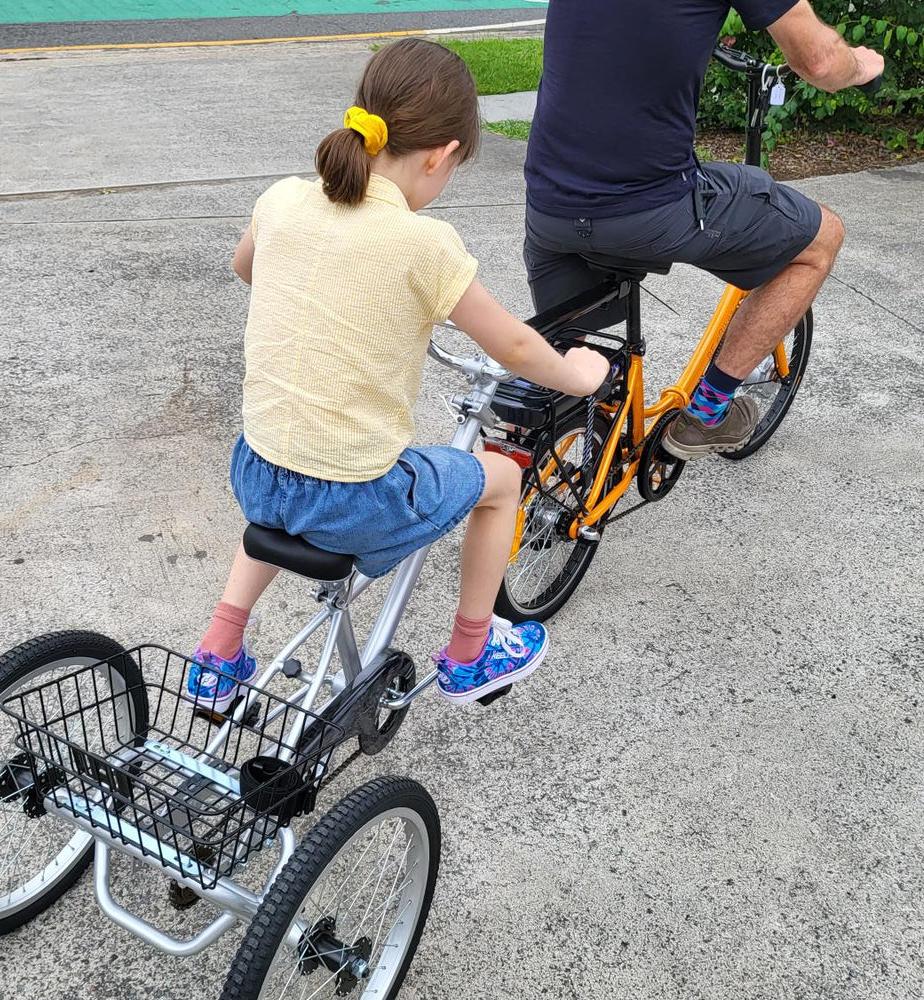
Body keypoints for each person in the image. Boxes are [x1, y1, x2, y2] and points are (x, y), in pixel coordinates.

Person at [184, 38, 610, 712]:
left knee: (292, 472)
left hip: (256, 471)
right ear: (440, 155)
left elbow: (246, 268)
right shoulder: (424, 244)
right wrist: (579, 376)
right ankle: (472, 653)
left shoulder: (282, 201)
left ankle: (217, 653)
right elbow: (519, 349)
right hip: (351, 500)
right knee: (501, 482)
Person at [523, 0, 885, 458]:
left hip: (549, 206)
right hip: (648, 206)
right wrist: (863, 65)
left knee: (573, 361)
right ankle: (708, 414)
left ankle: (590, 420)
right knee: (821, 238)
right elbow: (819, 60)